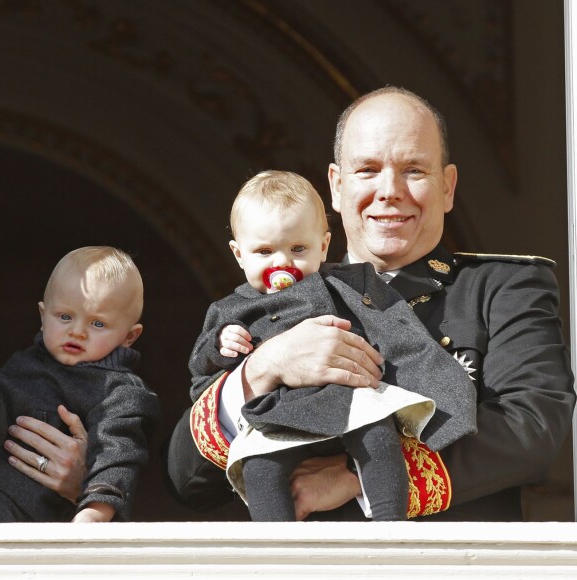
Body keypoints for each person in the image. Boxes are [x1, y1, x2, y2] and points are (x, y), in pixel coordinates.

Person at [166, 85, 575, 522]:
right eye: (368, 170)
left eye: (414, 170)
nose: (389, 191)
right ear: (337, 187)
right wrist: (264, 368)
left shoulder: (504, 286)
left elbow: (534, 426)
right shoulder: (264, 302)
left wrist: (353, 477)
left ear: (449, 187)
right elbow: (185, 481)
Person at [188, 169, 476, 521]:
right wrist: (221, 345)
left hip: (351, 393)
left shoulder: (351, 285)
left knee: (379, 439)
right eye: (264, 251)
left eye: (298, 249)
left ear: (323, 245)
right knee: (260, 468)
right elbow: (200, 370)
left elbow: (397, 333)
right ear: (238, 254)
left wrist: (436, 384)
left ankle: (392, 528)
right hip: (278, 410)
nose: (282, 263)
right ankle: (278, 553)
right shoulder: (230, 309)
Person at [0, 246, 159, 522]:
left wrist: (93, 514)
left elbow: (117, 455)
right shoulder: (21, 366)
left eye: (97, 323)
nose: (77, 331)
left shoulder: (120, 393)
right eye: (64, 317)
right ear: (42, 316)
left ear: (129, 337)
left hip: (42, 521)